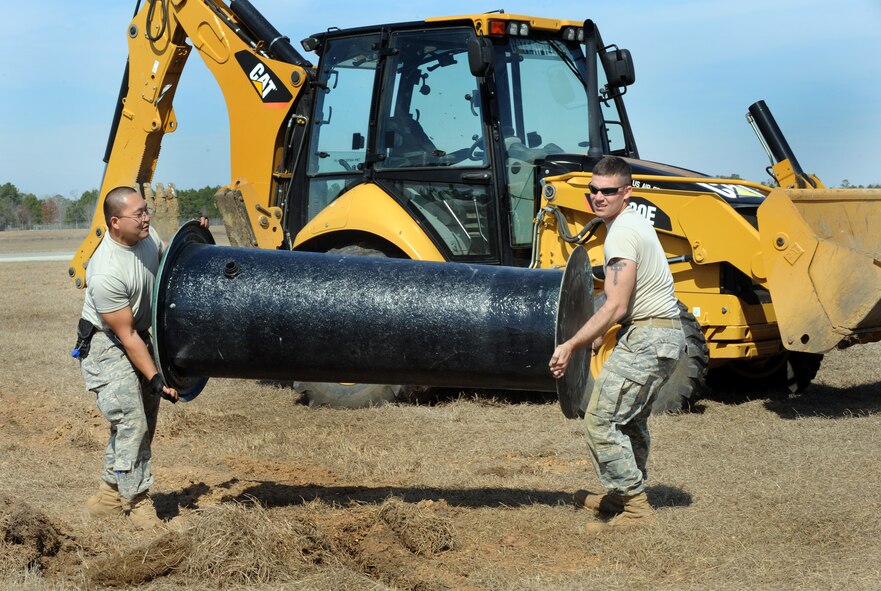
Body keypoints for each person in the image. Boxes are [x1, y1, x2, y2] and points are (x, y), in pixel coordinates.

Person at [548, 156, 684, 531]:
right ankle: (622, 495)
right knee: (630, 421)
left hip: (649, 338)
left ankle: (637, 510)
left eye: (608, 191)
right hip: (661, 335)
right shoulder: (632, 223)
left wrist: (572, 344)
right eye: (593, 190)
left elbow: (616, 304)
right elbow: (628, 304)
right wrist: (605, 334)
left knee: (599, 420)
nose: (598, 197)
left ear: (628, 192)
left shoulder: (622, 232)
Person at [77, 185, 207, 529]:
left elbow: (171, 265)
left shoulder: (148, 237)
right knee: (130, 420)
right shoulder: (104, 271)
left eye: (146, 210)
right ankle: (137, 503)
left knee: (142, 424)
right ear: (116, 222)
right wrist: (155, 377)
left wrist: (196, 239)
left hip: (140, 335)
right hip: (107, 345)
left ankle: (108, 493)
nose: (147, 217)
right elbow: (126, 335)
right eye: (139, 214)